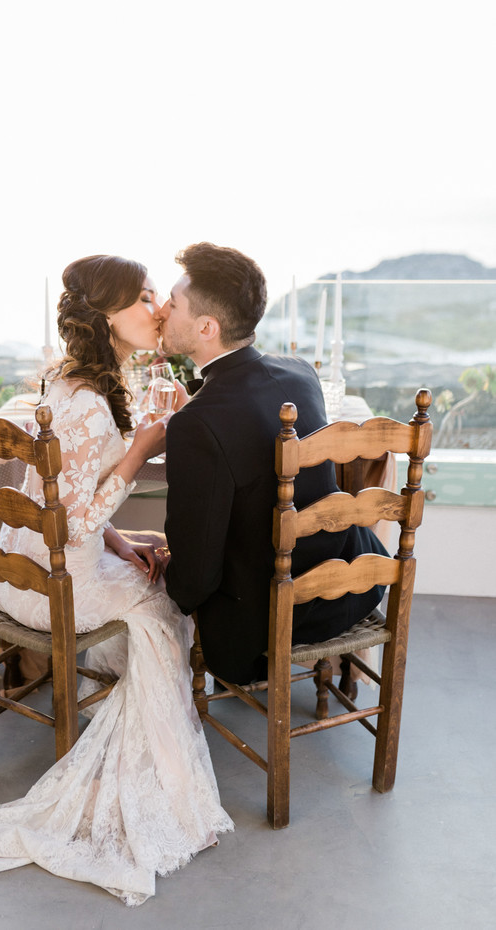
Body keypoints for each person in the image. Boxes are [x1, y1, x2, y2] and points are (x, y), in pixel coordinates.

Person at [0, 254, 233, 906]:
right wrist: (141, 449)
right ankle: (171, 782)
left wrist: (125, 542)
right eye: (142, 298)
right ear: (105, 317)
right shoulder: (97, 406)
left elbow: (67, 501)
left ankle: (119, 709)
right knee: (171, 603)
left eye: (159, 294)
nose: (156, 307)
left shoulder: (66, 378)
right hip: (52, 587)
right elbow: (73, 525)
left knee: (150, 561)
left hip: (21, 569)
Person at [159, 242, 388, 686]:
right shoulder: (300, 371)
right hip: (353, 584)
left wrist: (167, 575)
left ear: (207, 326)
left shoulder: (195, 424)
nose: (162, 312)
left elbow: (194, 577)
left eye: (172, 304)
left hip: (267, 620)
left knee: (159, 588)